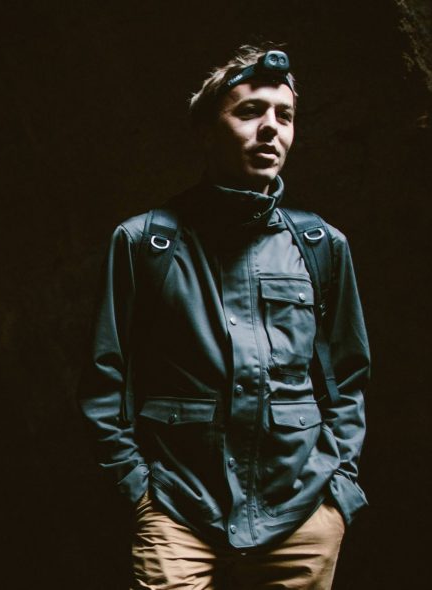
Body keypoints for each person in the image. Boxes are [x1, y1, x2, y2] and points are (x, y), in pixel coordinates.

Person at [78, 43, 370, 589]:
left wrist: (338, 494)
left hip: (300, 513)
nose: (270, 128)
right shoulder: (145, 243)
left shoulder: (321, 246)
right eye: (250, 111)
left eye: (284, 116)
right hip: (177, 509)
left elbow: (346, 378)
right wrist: (136, 489)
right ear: (207, 131)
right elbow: (104, 378)